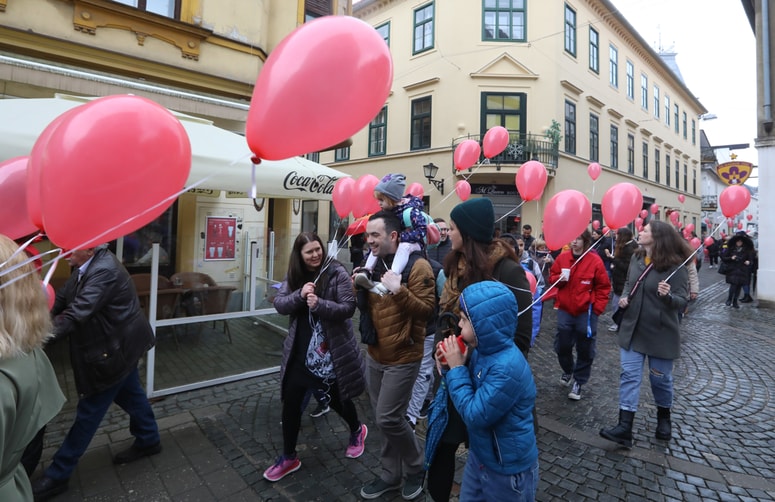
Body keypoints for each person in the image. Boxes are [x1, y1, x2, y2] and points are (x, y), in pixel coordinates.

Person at [425, 198, 533, 502]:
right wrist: (442, 351)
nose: (449, 233)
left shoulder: (509, 272)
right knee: (443, 443)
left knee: (483, 450)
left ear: (468, 233)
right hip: (453, 375)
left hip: (490, 383)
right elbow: (445, 319)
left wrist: (467, 357)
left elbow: (520, 341)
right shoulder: (453, 265)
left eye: (454, 227)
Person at [32, 245, 160, 501]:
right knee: (130, 394)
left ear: (90, 250)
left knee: (90, 410)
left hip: (115, 350)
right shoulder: (84, 267)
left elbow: (76, 313)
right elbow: (62, 301)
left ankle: (58, 473)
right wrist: (37, 320)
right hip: (117, 346)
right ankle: (149, 439)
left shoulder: (105, 271)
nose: (63, 252)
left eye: (69, 248)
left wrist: (33, 339)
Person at [263, 232, 367, 482]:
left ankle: (356, 430)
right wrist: (299, 295)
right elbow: (280, 304)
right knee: (290, 405)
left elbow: (347, 308)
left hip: (327, 355)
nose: (315, 255)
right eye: (309, 251)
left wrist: (320, 304)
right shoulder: (296, 275)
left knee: (336, 401)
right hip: (299, 354)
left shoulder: (336, 272)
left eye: (317, 249)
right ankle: (288, 457)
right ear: (299, 255)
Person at [434, 281, 539, 501]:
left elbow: (475, 414)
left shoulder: (508, 367)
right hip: (481, 456)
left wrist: (456, 369)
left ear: (485, 324)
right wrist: (447, 364)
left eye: (463, 319)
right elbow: (468, 386)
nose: (459, 326)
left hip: (507, 468)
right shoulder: (483, 351)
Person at [357, 211, 435, 500]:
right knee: (382, 418)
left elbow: (427, 311)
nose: (369, 240)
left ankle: (416, 466)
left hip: (404, 354)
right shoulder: (372, 262)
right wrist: (360, 286)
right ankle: (391, 475)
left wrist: (398, 290)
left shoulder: (419, 266)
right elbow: (364, 307)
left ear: (393, 236)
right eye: (368, 235)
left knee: (389, 417)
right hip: (375, 353)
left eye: (375, 235)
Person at [599, 221, 690, 447]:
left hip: (660, 332)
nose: (641, 232)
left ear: (658, 237)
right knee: (629, 376)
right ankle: (624, 427)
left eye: (646, 230)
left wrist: (668, 296)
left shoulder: (675, 266)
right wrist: (625, 297)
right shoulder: (637, 258)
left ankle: (664, 417)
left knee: (660, 380)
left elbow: (682, 301)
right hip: (632, 328)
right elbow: (630, 283)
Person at [0, 236, 66, 502]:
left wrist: (60, 327)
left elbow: (84, 307)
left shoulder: (104, 270)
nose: (70, 257)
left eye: (75, 253)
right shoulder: (26, 354)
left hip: (114, 351)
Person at [549, 229, 611, 401]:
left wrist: (597, 309)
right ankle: (568, 370)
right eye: (572, 239)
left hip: (587, 312)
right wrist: (559, 279)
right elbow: (552, 277)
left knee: (585, 347)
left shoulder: (594, 261)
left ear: (585, 241)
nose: (574, 242)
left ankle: (579, 380)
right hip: (565, 309)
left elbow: (604, 287)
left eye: (578, 239)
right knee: (562, 345)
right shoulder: (562, 258)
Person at [355, 173, 427, 295]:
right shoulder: (389, 211)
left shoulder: (410, 211)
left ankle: (391, 275)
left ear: (391, 198)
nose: (379, 203)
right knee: (378, 244)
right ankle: (366, 271)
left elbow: (422, 231)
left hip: (414, 244)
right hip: (397, 242)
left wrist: (403, 237)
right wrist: (366, 259)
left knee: (404, 246)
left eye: (382, 200)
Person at [608, 227, 638, 331]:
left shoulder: (629, 249)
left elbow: (627, 267)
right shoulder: (626, 247)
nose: (616, 237)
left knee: (617, 303)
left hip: (622, 281)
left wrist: (614, 260)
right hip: (619, 281)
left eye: (617, 235)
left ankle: (618, 322)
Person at [721, 233, 755, 308]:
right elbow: (724, 258)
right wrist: (731, 258)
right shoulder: (731, 249)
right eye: (738, 241)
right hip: (733, 270)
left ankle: (735, 301)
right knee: (733, 285)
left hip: (742, 271)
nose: (739, 243)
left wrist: (749, 262)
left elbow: (751, 260)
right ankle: (729, 299)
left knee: (738, 287)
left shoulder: (747, 250)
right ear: (735, 242)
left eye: (740, 242)